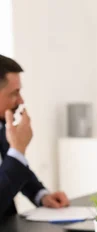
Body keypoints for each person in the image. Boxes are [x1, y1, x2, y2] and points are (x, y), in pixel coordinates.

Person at [0, 54, 69, 219]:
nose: (20, 100)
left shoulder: (2, 126)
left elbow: (11, 168)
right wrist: (18, 149)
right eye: (14, 93)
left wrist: (41, 195)